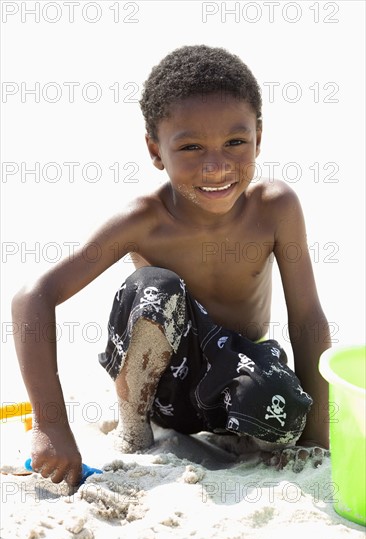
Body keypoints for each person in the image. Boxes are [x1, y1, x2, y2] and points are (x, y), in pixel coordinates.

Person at [12, 45, 331, 486]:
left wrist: (318, 439)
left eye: (235, 142)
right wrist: (50, 425)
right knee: (156, 287)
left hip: (234, 381)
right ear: (155, 149)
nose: (216, 166)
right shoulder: (144, 220)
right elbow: (33, 296)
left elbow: (307, 316)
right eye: (191, 147)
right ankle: (133, 426)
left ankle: (261, 426)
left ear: (259, 135)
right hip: (161, 392)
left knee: (287, 409)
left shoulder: (276, 208)